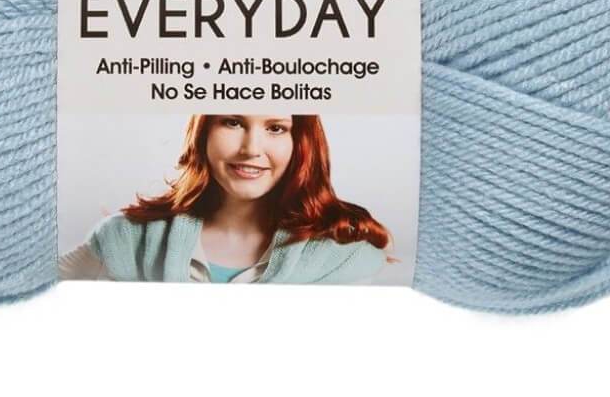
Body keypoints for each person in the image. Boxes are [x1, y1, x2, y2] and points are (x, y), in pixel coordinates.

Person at [59, 114, 395, 284]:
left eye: (276, 128)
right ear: (204, 131)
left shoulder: (348, 258)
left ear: (302, 143)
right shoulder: (126, 239)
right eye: (233, 122)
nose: (251, 149)